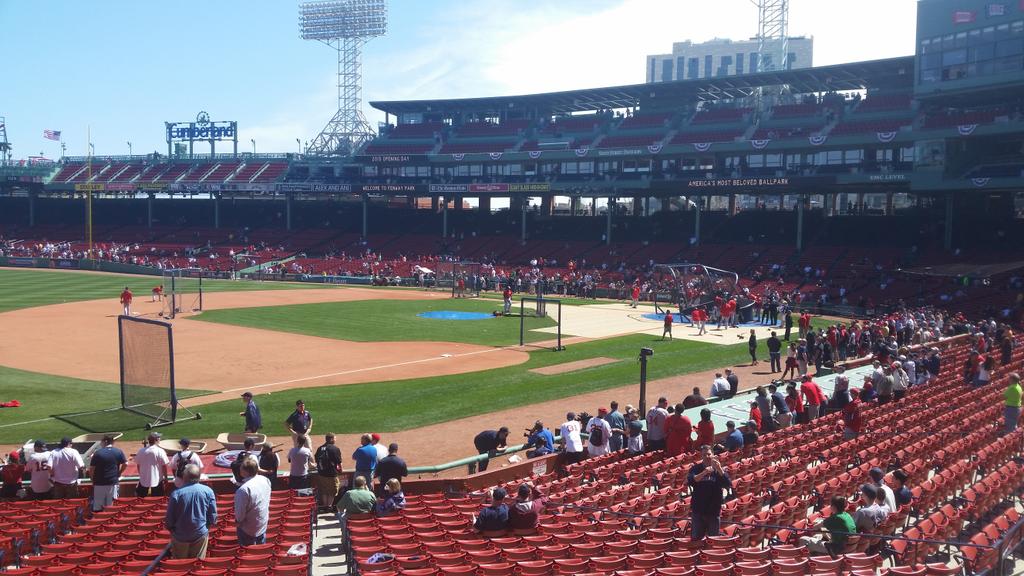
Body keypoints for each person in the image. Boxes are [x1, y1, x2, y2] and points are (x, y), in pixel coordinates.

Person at [165, 464, 217, 559]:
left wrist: (172, 530)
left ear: (185, 477)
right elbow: (212, 515)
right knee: (196, 565)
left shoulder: (176, 493)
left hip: (180, 536)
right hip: (200, 533)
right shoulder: (208, 491)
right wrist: (206, 528)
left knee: (180, 566)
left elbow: (169, 518)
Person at [687, 445, 732, 540]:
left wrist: (719, 469)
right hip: (698, 510)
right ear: (701, 456)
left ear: (713, 455)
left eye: (708, 454)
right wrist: (704, 473)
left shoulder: (719, 470)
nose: (707, 457)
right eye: (704, 455)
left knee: (713, 540)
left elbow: (728, 484)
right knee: (696, 540)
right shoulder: (696, 468)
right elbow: (691, 480)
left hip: (713, 511)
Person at [234, 458, 271, 546]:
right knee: (260, 551)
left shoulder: (243, 490)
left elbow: (240, 515)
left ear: (245, 472)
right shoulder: (265, 479)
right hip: (262, 523)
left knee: (248, 553)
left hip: (248, 529)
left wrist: (238, 522)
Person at [90, 434, 127, 511]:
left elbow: (92, 468)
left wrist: (92, 479)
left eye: (102, 441)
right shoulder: (118, 451)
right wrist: (119, 473)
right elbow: (125, 464)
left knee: (98, 507)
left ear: (105, 441)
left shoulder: (98, 453)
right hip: (112, 482)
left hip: (99, 482)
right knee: (111, 506)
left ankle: (100, 520)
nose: (101, 443)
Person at [135, 432, 170, 497]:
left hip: (143, 481)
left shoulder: (141, 451)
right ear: (156, 440)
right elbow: (164, 465)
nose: (160, 439)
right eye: (159, 438)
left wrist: (141, 475)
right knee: (158, 501)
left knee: (141, 501)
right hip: (157, 481)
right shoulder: (160, 451)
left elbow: (138, 465)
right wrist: (166, 477)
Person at [313, 434, 343, 509]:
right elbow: (339, 462)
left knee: (324, 490)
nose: (335, 440)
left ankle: (325, 506)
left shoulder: (320, 448)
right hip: (331, 474)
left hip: (322, 473)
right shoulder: (335, 448)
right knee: (332, 491)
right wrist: (341, 470)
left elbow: (316, 459)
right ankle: (329, 507)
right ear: (331, 439)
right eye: (335, 438)